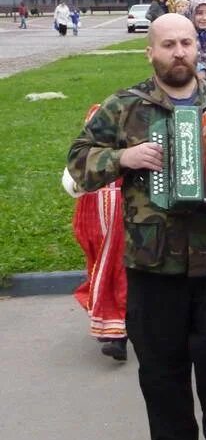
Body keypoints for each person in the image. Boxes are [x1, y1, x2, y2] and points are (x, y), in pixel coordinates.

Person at [66, 13, 206, 440]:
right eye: (168, 44)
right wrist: (123, 159)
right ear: (151, 52)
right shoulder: (125, 107)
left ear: (197, 47)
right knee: (161, 373)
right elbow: (78, 163)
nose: (179, 52)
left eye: (186, 42)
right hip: (153, 268)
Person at [62, 105, 127, 361]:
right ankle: (111, 324)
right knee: (100, 270)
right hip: (93, 221)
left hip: (124, 221)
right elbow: (70, 182)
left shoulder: (130, 153)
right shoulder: (85, 156)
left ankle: (117, 334)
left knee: (121, 274)